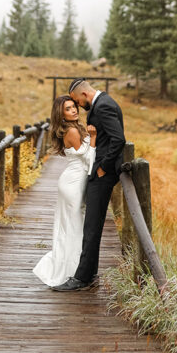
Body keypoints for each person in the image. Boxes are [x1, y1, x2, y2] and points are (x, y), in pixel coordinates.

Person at [52, 78, 125, 292]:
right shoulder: (103, 104)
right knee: (91, 224)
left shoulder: (103, 106)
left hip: (102, 173)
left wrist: (103, 167)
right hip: (91, 173)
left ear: (83, 95)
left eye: (76, 102)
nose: (78, 108)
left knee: (92, 226)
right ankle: (89, 272)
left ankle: (82, 278)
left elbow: (118, 139)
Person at [33, 95, 97, 287]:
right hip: (73, 183)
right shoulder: (71, 131)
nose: (74, 110)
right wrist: (93, 137)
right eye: (68, 109)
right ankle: (72, 271)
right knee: (74, 226)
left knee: (74, 225)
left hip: (75, 180)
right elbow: (88, 159)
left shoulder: (76, 127)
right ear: (61, 114)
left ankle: (79, 268)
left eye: (74, 107)